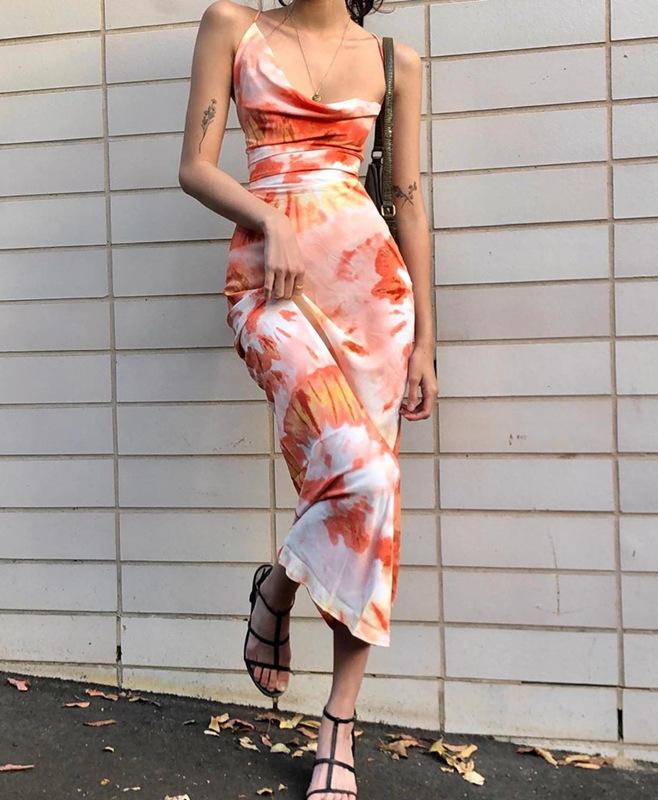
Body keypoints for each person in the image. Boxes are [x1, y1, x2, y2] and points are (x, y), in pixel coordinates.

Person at [178, 0, 436, 796]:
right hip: (270, 286)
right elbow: (195, 167)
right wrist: (268, 217)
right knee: (360, 473)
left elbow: (407, 200)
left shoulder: (395, 61)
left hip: (372, 298)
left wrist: (427, 340)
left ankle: (337, 722)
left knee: (372, 499)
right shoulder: (234, 26)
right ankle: (276, 590)